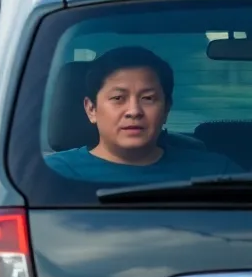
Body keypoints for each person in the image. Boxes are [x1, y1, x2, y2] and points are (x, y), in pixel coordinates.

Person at [45, 45, 243, 182]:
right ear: (91, 109)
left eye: (147, 98)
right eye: (118, 98)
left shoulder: (215, 173)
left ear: (166, 109)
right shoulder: (52, 174)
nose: (134, 111)